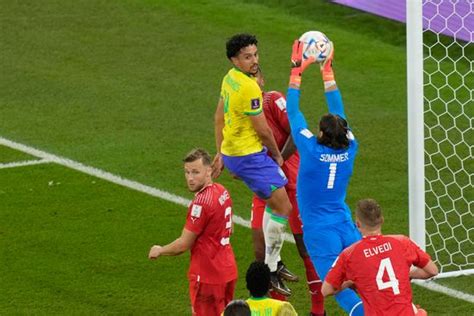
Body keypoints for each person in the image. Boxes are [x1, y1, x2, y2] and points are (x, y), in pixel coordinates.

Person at [285, 40, 363, 314]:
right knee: (366, 280)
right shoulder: (350, 146)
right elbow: (340, 116)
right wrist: (327, 71)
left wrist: (297, 71)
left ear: (320, 134)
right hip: (345, 225)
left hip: (320, 231)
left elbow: (293, 113)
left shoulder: (310, 150)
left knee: (337, 287)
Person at [212, 33, 293, 295]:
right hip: (250, 156)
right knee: (283, 206)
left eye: (256, 54)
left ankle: (274, 263)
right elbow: (263, 130)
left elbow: (218, 117)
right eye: (247, 57)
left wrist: (221, 151)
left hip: (235, 154)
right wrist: (277, 156)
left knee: (273, 203)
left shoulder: (229, 79)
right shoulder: (249, 88)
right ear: (234, 59)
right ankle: (270, 268)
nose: (254, 60)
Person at [250, 68, 325, 315]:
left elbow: (296, 131)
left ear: (262, 79)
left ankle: (318, 311)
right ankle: (272, 309)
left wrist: (278, 160)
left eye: (255, 77)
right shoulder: (242, 111)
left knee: (305, 248)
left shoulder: (272, 99)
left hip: (293, 183)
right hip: (265, 186)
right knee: (261, 252)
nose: (252, 83)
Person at [148, 149, 238, 316]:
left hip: (207, 276)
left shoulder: (201, 204)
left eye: (196, 172)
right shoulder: (222, 191)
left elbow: (183, 244)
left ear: (209, 170)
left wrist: (160, 250)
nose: (190, 178)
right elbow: (230, 227)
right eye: (187, 172)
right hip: (227, 271)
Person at [322, 198, 439, 315]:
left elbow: (326, 290)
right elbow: (432, 270)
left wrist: (349, 283)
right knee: (421, 313)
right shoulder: (402, 241)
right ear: (382, 220)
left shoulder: (349, 254)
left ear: (357, 224)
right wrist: (405, 274)